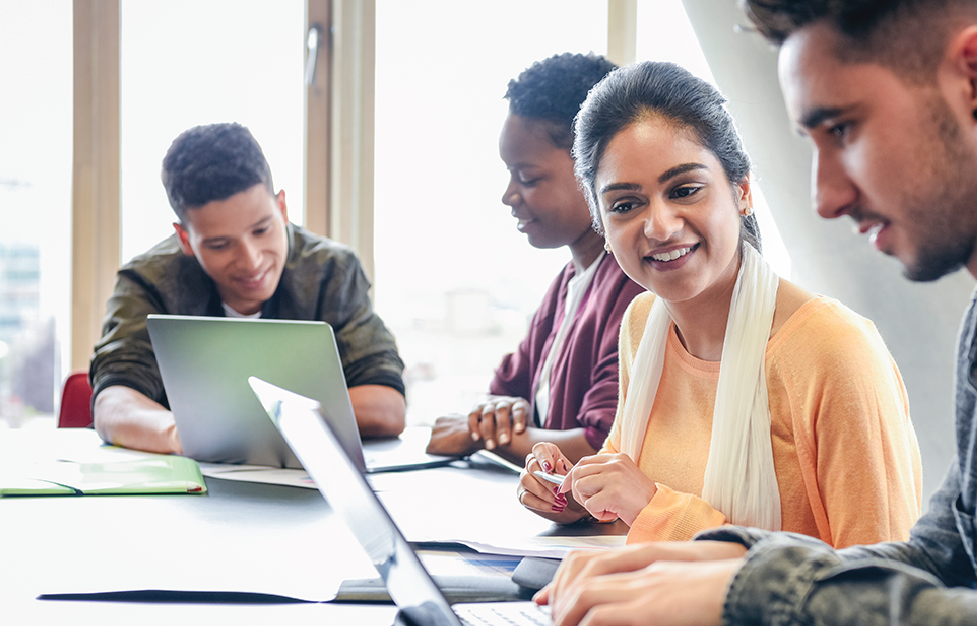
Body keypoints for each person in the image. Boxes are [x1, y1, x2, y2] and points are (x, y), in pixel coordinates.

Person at [534, 0, 977, 625]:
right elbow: (943, 560)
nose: (824, 196)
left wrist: (753, 590)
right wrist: (707, 566)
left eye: (844, 129)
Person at [517, 60, 922, 546]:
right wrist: (571, 496)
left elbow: (879, 588)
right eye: (626, 204)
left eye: (685, 190)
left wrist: (654, 507)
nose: (660, 226)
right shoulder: (643, 325)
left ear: (742, 191)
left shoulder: (833, 351)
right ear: (601, 224)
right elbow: (628, 502)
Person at [91, 123, 407, 455]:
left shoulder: (332, 272)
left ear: (282, 209)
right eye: (219, 244)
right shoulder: (148, 281)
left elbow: (387, 405)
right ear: (185, 239)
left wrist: (238, 424)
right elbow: (114, 402)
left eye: (261, 229)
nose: (251, 261)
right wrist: (182, 435)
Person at [425, 53, 644, 466]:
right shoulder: (566, 284)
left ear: (594, 167)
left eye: (527, 177)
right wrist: (492, 421)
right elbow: (502, 395)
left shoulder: (636, 287)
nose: (509, 194)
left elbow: (602, 446)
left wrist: (478, 434)